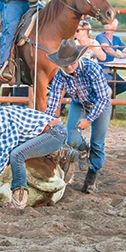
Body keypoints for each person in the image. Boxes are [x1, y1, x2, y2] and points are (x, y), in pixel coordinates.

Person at [45, 39, 112, 194]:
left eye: (72, 63)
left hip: (101, 104)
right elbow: (54, 101)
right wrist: (47, 122)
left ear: (78, 58)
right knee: (72, 138)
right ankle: (82, 150)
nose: (69, 67)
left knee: (97, 143)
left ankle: (91, 180)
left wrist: (89, 119)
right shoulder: (60, 76)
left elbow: (103, 98)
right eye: (65, 64)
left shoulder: (92, 68)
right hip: (79, 103)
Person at [95, 18, 126, 95]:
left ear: (115, 27)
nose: (107, 26)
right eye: (106, 24)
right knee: (111, 83)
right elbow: (107, 48)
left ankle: (105, 98)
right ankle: (103, 99)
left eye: (110, 24)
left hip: (110, 69)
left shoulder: (116, 39)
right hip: (100, 68)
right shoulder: (100, 37)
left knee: (123, 85)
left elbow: (125, 49)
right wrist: (119, 56)